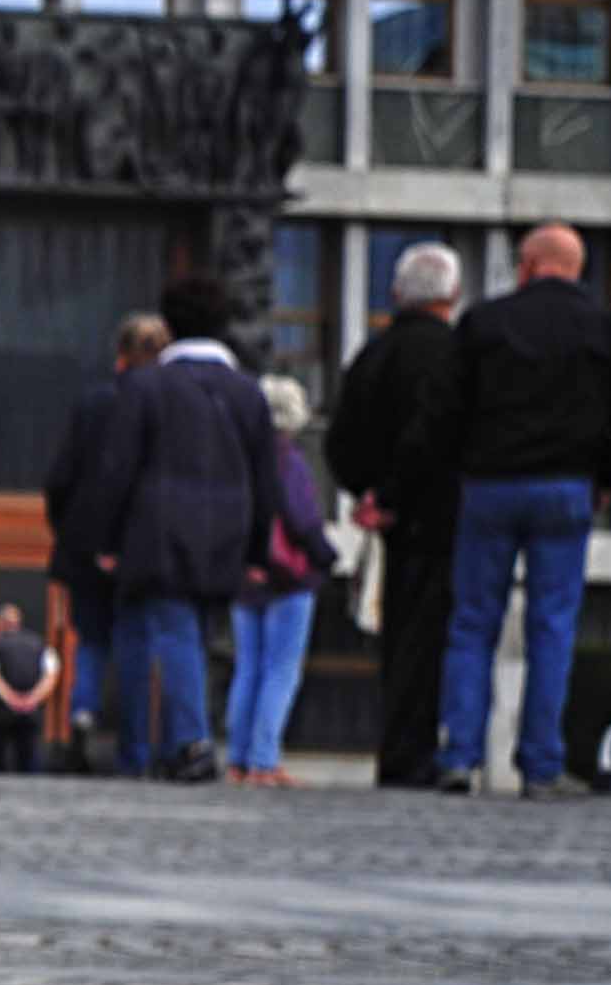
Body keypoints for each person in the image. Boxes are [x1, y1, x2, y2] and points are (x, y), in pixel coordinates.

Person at [436, 225, 611, 799]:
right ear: (575, 268)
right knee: (552, 627)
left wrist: (462, 469)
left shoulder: (484, 323)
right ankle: (541, 763)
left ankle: (460, 755)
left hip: (489, 486)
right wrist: (603, 478)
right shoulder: (607, 330)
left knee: (473, 623)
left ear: (527, 265)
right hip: (565, 488)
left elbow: (447, 411)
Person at [69, 277, 285, 785]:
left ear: (169, 327)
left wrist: (104, 538)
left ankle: (186, 741)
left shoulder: (146, 387)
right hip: (228, 529)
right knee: (198, 634)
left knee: (171, 631)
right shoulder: (248, 393)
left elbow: (116, 468)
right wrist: (258, 548)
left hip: (159, 528)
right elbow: (266, 478)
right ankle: (175, 742)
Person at [326, 242, 465, 788]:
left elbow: (342, 439)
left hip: (387, 521)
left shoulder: (372, 354)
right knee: (432, 641)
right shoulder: (454, 356)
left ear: (396, 294)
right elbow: (434, 433)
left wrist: (367, 496)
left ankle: (394, 748)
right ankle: (422, 753)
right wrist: (393, 494)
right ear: (451, 295)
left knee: (396, 638)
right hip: (440, 516)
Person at [43, 313, 168, 772]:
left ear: (120, 355)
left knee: (91, 641)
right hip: (143, 547)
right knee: (139, 642)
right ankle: (135, 745)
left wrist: (72, 532)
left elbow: (60, 477)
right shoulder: (169, 405)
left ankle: (82, 711)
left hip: (85, 546)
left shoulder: (93, 404)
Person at [224, 373, 339, 787]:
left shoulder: (238, 456)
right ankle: (264, 759)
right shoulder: (287, 460)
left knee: (248, 668)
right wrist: (326, 556)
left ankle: (238, 759)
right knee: (281, 670)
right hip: (288, 577)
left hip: (245, 574)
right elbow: (302, 518)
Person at [0, 605, 55, 775]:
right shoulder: (40, 644)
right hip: (31, 710)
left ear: (0, 623)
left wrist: (11, 698)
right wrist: (33, 698)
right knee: (29, 757)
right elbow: (51, 675)